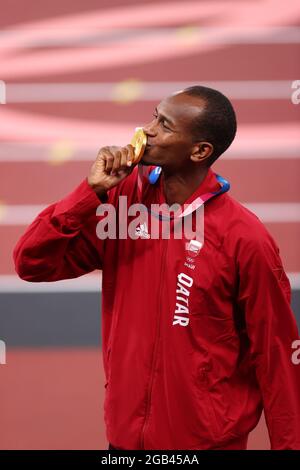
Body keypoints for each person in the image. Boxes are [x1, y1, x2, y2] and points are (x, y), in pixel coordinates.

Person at [13, 86, 300, 450]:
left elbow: (276, 355)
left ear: (199, 151)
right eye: (153, 116)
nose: (146, 130)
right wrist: (89, 193)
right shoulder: (122, 205)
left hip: (205, 444)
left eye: (163, 125)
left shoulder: (245, 238)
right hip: (125, 440)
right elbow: (32, 263)